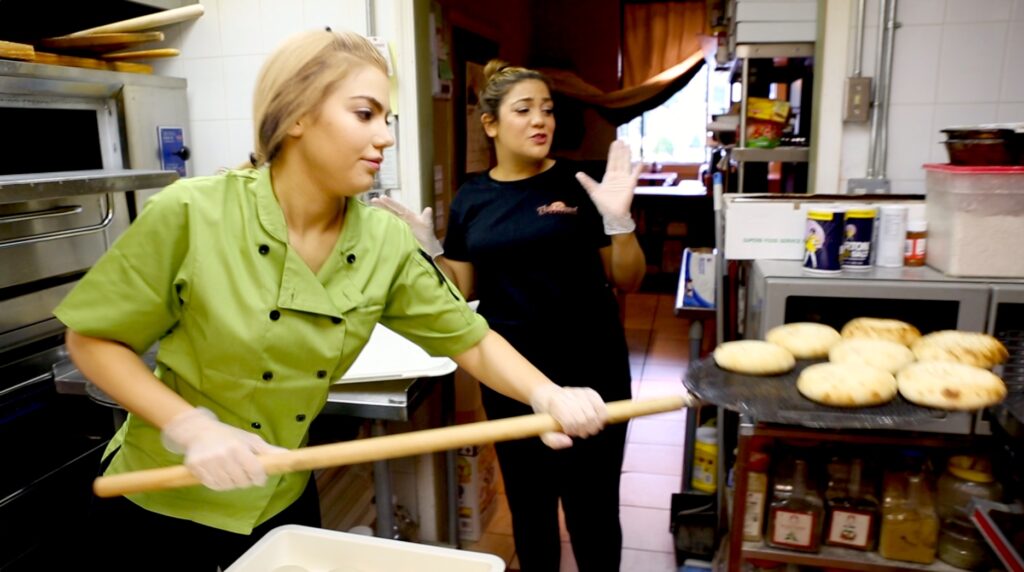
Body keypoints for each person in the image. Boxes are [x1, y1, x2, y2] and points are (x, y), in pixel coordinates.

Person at [55, 31, 610, 571]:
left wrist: (545, 393)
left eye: (386, 119)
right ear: (296, 115)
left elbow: (470, 337)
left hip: (281, 500)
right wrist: (192, 428)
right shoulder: (193, 213)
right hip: (161, 506)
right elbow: (92, 337)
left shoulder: (382, 241)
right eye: (365, 114)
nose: (386, 136)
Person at [373, 59, 645, 571]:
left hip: (595, 367)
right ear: (491, 123)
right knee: (531, 505)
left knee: (594, 509)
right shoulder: (472, 197)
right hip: (512, 374)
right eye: (524, 110)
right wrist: (430, 251)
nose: (541, 120)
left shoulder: (579, 183)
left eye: (547, 109)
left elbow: (628, 278)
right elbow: (462, 291)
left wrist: (619, 220)